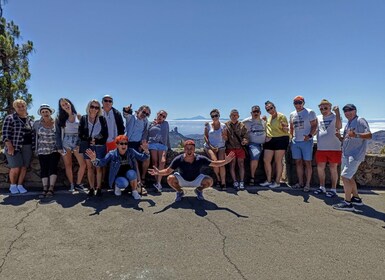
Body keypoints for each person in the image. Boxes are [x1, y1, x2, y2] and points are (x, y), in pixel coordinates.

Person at [148, 140, 235, 202]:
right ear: (184, 149)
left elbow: (214, 164)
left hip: (196, 179)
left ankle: (199, 190)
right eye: (187, 148)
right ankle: (179, 191)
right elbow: (167, 171)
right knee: (170, 178)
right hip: (182, 179)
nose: (189, 150)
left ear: (194, 149)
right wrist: (158, 172)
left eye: (191, 148)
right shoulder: (179, 159)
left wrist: (225, 161)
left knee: (209, 181)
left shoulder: (200, 158)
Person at [333, 104, 372, 211]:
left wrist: (356, 135)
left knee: (345, 177)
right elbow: (347, 139)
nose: (348, 113)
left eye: (350, 110)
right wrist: (339, 137)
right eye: (345, 111)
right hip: (347, 154)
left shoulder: (360, 120)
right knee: (349, 177)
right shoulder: (348, 123)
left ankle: (347, 203)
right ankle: (356, 199)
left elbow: (369, 135)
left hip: (355, 155)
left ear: (355, 110)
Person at [85, 135, 150, 200]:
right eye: (121, 143)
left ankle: (134, 191)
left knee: (132, 173)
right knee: (124, 183)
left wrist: (146, 151)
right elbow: (102, 163)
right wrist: (94, 159)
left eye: (126, 143)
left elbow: (142, 158)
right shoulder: (112, 154)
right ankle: (117, 186)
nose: (124, 145)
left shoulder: (131, 151)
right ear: (117, 145)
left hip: (128, 175)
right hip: (118, 177)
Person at [2, 99, 35, 194]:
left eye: (23, 106)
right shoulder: (10, 118)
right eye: (18, 106)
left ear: (25, 107)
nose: (21, 108)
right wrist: (9, 146)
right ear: (15, 108)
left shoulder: (29, 119)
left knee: (24, 167)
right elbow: (5, 134)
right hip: (14, 146)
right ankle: (13, 185)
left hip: (27, 146)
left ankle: (20, 185)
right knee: (15, 167)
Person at [56, 98, 86, 192]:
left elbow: (82, 131)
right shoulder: (60, 118)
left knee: (83, 164)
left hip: (77, 141)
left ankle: (78, 183)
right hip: (66, 141)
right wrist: (59, 147)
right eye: (63, 105)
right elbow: (57, 133)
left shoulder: (79, 116)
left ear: (70, 103)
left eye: (66, 103)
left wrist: (79, 143)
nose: (65, 105)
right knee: (68, 164)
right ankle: (71, 185)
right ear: (61, 107)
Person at [313, 99, 342, 198]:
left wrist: (337, 113)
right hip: (321, 148)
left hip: (334, 148)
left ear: (330, 107)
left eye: (325, 108)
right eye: (321, 108)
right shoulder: (318, 118)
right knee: (320, 168)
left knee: (333, 168)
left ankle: (333, 189)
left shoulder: (335, 117)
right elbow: (315, 130)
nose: (323, 110)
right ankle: (322, 187)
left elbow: (339, 126)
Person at [79, 99, 108, 197]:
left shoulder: (102, 119)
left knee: (98, 167)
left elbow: (105, 134)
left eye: (96, 107)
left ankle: (98, 188)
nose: (94, 109)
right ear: (89, 107)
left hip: (99, 146)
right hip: (88, 146)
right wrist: (89, 139)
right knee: (89, 168)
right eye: (92, 106)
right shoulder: (84, 118)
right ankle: (91, 188)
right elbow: (80, 133)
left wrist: (96, 140)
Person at [289, 96, 318, 192]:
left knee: (308, 163)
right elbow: (292, 127)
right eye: (295, 103)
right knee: (298, 162)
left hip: (306, 141)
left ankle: (307, 184)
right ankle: (300, 183)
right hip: (296, 141)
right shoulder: (292, 114)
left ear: (303, 103)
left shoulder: (310, 112)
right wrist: (291, 137)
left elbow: (314, 125)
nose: (298, 105)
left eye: (299, 102)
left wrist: (309, 136)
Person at [260, 101, 290, 188]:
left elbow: (286, 130)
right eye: (267, 109)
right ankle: (269, 180)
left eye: (271, 108)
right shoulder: (269, 118)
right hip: (270, 140)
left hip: (281, 139)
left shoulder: (281, 116)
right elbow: (268, 129)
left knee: (278, 161)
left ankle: (277, 182)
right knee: (266, 160)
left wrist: (285, 127)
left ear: (274, 107)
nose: (270, 110)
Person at [33, 104, 61, 198]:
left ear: (50, 112)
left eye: (46, 111)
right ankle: (44, 188)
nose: (45, 113)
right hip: (42, 149)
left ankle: (51, 188)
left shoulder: (56, 122)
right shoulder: (37, 123)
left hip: (54, 149)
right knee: (44, 168)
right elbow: (34, 136)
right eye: (43, 112)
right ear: (41, 113)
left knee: (53, 168)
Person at [123, 104, 151, 195]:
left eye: (147, 114)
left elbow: (144, 133)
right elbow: (126, 114)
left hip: (138, 144)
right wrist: (126, 110)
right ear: (138, 111)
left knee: (147, 158)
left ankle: (142, 178)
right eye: (143, 112)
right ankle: (140, 185)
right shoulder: (131, 117)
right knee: (134, 162)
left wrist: (141, 144)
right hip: (128, 144)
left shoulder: (145, 121)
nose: (144, 115)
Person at [223, 109, 248, 190]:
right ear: (230, 116)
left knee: (241, 164)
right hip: (230, 148)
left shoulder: (242, 125)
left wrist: (245, 141)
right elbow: (225, 137)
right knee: (232, 165)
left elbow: (245, 136)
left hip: (240, 148)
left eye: (235, 115)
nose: (234, 117)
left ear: (238, 116)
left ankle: (241, 182)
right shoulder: (226, 125)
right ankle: (235, 181)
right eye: (232, 115)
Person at [242, 105, 266, 186]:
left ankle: (271, 178)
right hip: (253, 143)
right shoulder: (246, 122)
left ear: (260, 112)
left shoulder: (264, 121)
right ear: (251, 113)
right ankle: (252, 177)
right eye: (254, 112)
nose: (256, 113)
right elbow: (238, 127)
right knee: (255, 156)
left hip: (265, 143)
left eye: (257, 111)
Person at [147, 110, 170, 192]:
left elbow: (167, 135)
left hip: (162, 145)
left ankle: (158, 182)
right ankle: (158, 183)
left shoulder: (165, 124)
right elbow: (147, 134)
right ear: (157, 114)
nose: (161, 117)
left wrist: (168, 146)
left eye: (164, 116)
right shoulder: (150, 124)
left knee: (162, 161)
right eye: (160, 115)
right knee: (155, 162)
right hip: (152, 143)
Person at [203, 109, 227, 190]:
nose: (214, 117)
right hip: (209, 146)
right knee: (215, 161)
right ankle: (218, 179)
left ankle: (223, 182)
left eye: (216, 115)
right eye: (212, 116)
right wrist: (210, 146)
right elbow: (205, 137)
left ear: (219, 116)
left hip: (221, 147)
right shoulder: (208, 125)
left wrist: (224, 136)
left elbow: (226, 138)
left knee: (222, 163)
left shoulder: (223, 126)